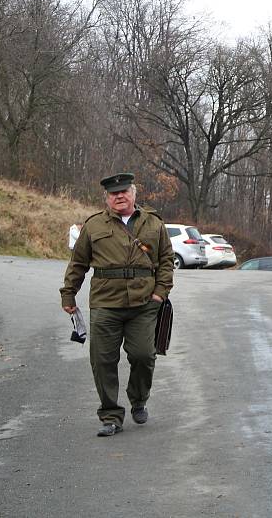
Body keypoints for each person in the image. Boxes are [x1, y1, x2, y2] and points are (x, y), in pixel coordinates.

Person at [60, 173, 174, 437]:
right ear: (107, 198)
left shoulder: (154, 224)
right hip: (105, 303)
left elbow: (166, 261)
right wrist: (69, 295)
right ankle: (110, 415)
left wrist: (160, 292)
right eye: (114, 194)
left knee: (144, 355)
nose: (119, 197)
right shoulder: (94, 226)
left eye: (124, 192)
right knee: (102, 360)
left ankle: (139, 399)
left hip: (144, 304)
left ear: (134, 194)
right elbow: (78, 263)